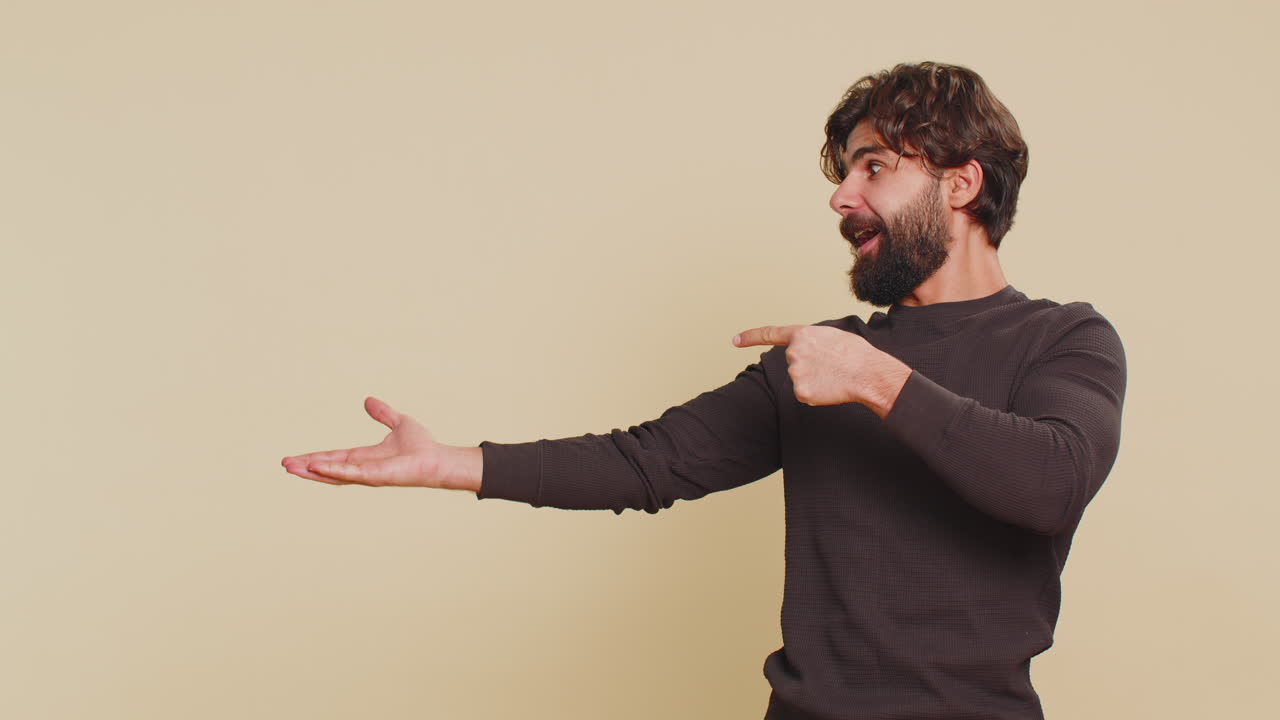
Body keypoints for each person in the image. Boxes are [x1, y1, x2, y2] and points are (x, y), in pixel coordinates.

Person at [281, 61, 1127, 720]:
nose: (842, 197)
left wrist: (872, 377)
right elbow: (649, 464)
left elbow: (1050, 484)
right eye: (844, 174)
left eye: (874, 168)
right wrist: (453, 465)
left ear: (961, 183)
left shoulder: (1063, 340)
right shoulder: (815, 362)